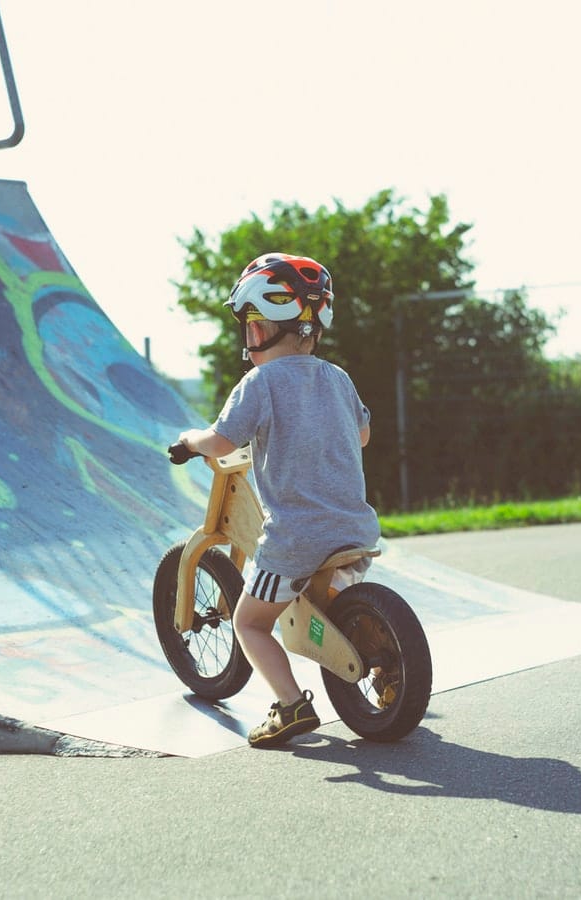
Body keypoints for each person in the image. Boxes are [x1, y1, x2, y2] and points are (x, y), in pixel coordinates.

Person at [174, 252, 381, 748]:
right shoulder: (338, 378)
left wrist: (190, 441)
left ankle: (290, 705)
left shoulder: (260, 383)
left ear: (265, 328)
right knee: (330, 605)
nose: (248, 340)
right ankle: (384, 661)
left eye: (250, 327)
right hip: (356, 531)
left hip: (296, 540)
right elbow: (363, 436)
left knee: (249, 622)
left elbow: (221, 442)